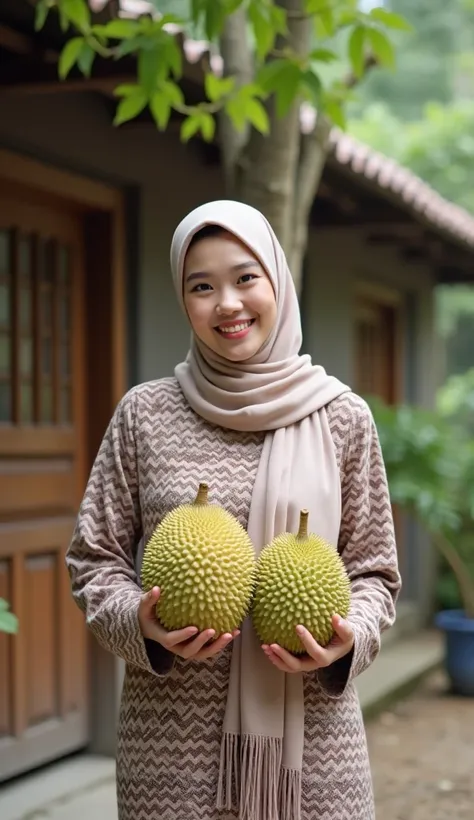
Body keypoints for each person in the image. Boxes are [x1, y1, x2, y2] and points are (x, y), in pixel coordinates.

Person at [66, 200, 401, 820]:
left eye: (246, 277)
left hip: (315, 748)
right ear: (182, 298)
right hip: (169, 746)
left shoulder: (342, 417)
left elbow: (374, 571)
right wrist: (141, 625)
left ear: (277, 279)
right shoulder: (145, 414)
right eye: (202, 285)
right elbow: (93, 561)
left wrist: (350, 637)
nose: (227, 302)